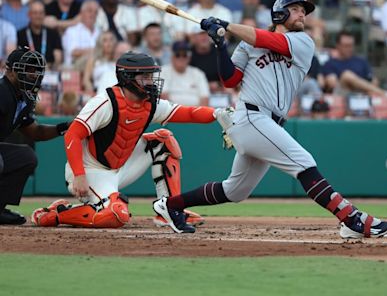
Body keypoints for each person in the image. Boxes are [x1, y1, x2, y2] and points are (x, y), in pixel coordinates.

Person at [152, 0, 387, 238]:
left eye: (304, 11)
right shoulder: (248, 43)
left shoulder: (303, 42)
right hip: (251, 118)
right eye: (297, 9)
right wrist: (220, 45)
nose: (302, 14)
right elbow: (230, 79)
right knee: (304, 162)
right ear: (280, 13)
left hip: (269, 123)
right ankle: (350, 219)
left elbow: (270, 41)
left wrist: (227, 26)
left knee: (235, 191)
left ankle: (170, 206)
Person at [31, 51, 229, 230]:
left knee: (164, 141)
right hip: (89, 170)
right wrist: (79, 175)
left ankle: (169, 209)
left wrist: (218, 114)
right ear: (127, 78)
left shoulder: (149, 104)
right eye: (145, 77)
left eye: (151, 76)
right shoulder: (105, 102)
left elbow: (188, 113)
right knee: (117, 215)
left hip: (121, 166)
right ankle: (57, 214)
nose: (151, 81)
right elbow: (73, 134)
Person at [0, 47, 69, 225]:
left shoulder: (24, 96)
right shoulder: (2, 92)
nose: (33, 74)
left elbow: (34, 131)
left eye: (35, 70)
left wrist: (63, 128)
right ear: (11, 71)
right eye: (28, 69)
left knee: (25, 157)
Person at [318, 31, 387, 105]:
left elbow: (373, 81)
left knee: (371, 88)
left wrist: (363, 88)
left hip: (364, 94)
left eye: (351, 45)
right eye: (346, 46)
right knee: (347, 75)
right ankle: (385, 94)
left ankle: (380, 96)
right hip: (342, 95)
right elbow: (332, 84)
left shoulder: (361, 61)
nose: (349, 49)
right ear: (338, 45)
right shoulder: (330, 63)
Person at [161, 40, 210, 106]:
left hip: (195, 114)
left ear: (189, 57)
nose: (181, 58)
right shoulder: (163, 72)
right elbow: (163, 98)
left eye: (185, 55)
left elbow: (205, 99)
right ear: (172, 57)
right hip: (172, 113)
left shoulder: (198, 73)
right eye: (177, 55)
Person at [17, 1, 63, 70]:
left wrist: (50, 66)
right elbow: (18, 58)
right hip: (27, 72)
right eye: (35, 13)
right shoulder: (20, 34)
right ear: (29, 15)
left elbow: (58, 57)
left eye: (41, 13)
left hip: (49, 71)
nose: (38, 16)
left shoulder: (53, 34)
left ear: (44, 14)